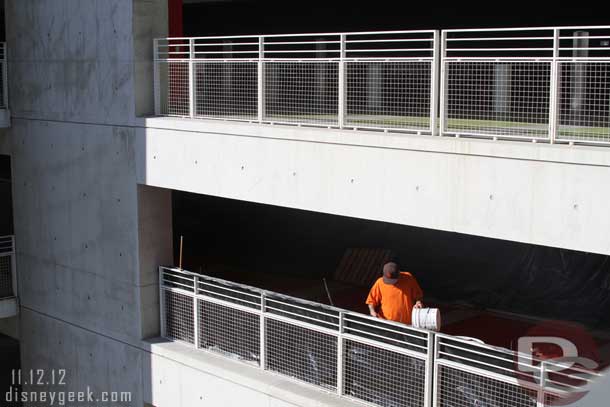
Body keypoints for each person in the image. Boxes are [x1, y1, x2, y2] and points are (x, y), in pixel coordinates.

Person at [365, 261, 423, 325]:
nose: (391, 283)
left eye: (393, 280)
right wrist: (372, 311)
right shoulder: (379, 282)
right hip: (386, 323)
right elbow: (371, 301)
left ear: (399, 273)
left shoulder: (408, 277)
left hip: (407, 324)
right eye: (388, 280)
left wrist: (418, 302)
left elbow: (418, 295)